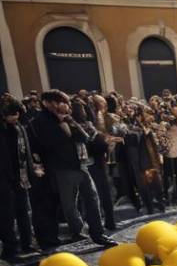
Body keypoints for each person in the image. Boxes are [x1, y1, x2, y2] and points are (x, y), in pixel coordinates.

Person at [29, 90, 115, 247]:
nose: (64, 105)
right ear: (47, 103)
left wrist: (70, 122)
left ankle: (98, 234)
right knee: (69, 204)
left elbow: (84, 138)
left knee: (92, 199)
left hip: (81, 165)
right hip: (62, 168)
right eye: (59, 102)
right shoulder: (40, 121)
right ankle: (78, 231)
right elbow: (50, 144)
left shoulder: (69, 118)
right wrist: (62, 123)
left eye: (65, 101)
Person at [0, 100, 39, 261]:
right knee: (7, 216)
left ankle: (27, 244)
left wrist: (32, 169)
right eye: (12, 114)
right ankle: (10, 250)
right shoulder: (3, 130)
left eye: (17, 114)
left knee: (24, 212)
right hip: (4, 180)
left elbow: (26, 152)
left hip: (21, 177)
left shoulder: (20, 127)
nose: (15, 117)